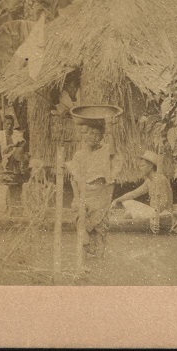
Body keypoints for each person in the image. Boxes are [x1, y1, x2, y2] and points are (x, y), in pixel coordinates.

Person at [65, 110, 119, 257]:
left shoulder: (104, 151)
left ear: (101, 137)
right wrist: (77, 198)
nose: (93, 137)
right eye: (90, 133)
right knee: (82, 227)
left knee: (100, 230)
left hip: (100, 194)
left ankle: (100, 263)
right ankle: (82, 264)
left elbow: (113, 149)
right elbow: (74, 179)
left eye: (97, 134)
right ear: (84, 135)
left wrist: (110, 127)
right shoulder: (79, 155)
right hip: (84, 194)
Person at [111, 151, 174, 232]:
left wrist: (153, 215)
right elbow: (133, 194)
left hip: (163, 214)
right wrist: (116, 200)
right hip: (154, 212)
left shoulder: (160, 179)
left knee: (129, 209)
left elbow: (164, 203)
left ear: (150, 166)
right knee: (128, 204)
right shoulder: (149, 181)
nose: (140, 168)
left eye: (142, 165)